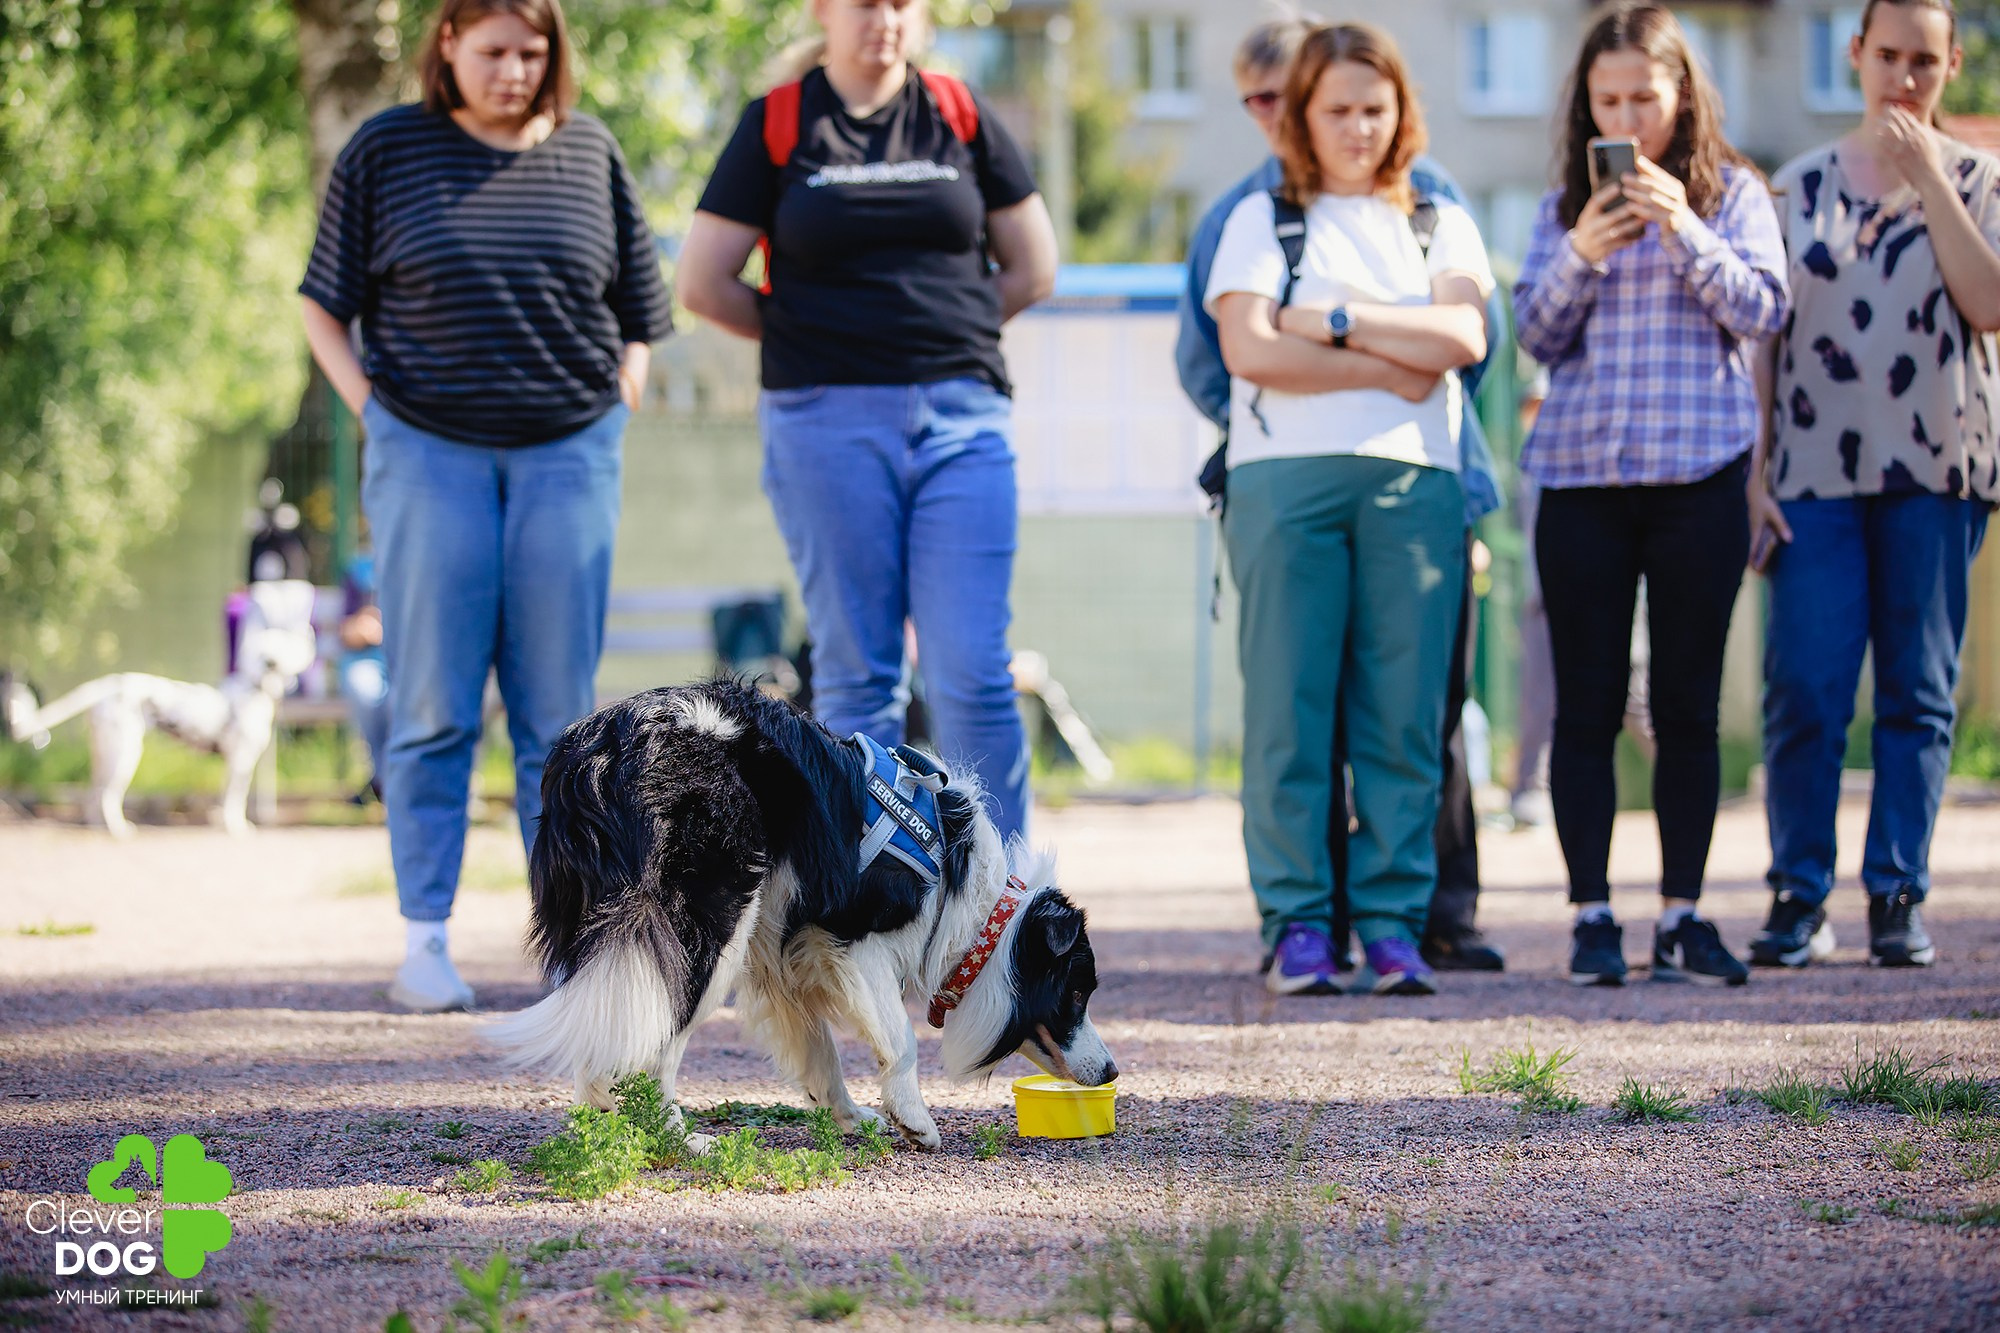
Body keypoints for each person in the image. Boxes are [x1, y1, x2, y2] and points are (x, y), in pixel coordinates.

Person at [299, 0, 673, 1012]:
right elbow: (320, 304)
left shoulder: (590, 152)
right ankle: (425, 941)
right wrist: (376, 414)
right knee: (432, 705)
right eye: (494, 50)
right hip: (428, 452)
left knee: (559, 718)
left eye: (533, 49)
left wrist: (622, 396)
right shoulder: (387, 149)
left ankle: (571, 948)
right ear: (449, 48)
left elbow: (644, 307)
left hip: (567, 453)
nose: (515, 68)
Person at [677, 0, 1058, 843]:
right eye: (863, 1)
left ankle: (1003, 900)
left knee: (973, 671)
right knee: (857, 676)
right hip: (824, 417)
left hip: (961, 417)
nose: (883, 17)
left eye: (901, 2)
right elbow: (703, 283)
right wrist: (813, 337)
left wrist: (942, 329)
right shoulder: (777, 123)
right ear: (823, 10)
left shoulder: (960, 113)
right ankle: (871, 902)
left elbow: (1034, 267)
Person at [1177, 14, 1506, 980]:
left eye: (1375, 107)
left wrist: (1330, 323)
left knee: (1403, 718)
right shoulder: (1256, 220)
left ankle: (1396, 921)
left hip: (1418, 488)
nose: (1358, 127)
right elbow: (1246, 351)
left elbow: (1462, 343)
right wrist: (1394, 350)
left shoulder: (1439, 217)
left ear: (1402, 109)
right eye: (1336, 110)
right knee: (1290, 712)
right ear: (1301, 118)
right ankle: (1299, 925)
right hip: (1284, 488)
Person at [1514, 2, 1787, 988]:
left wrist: (1681, 228)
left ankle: (1680, 915)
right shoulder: (1557, 211)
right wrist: (1584, 251)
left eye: (1643, 95)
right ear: (1585, 102)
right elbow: (1533, 337)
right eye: (1606, 97)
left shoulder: (1732, 195)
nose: (1625, 112)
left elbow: (1762, 308)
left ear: (1681, 95)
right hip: (1581, 479)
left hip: (1698, 483)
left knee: (1684, 707)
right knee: (1582, 709)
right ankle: (1591, 916)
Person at [1749, 0, 2000, 969]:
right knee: (1803, 687)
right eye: (1885, 55)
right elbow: (1765, 343)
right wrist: (1752, 474)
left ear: (1948, 66)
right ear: (1853, 54)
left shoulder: (1976, 179)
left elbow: (1984, 304)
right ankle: (1794, 892)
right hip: (1810, 473)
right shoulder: (1796, 185)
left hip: (1935, 468)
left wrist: (1929, 171)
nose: (1901, 78)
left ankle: (1895, 891)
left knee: (1916, 689)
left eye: (1922, 63)